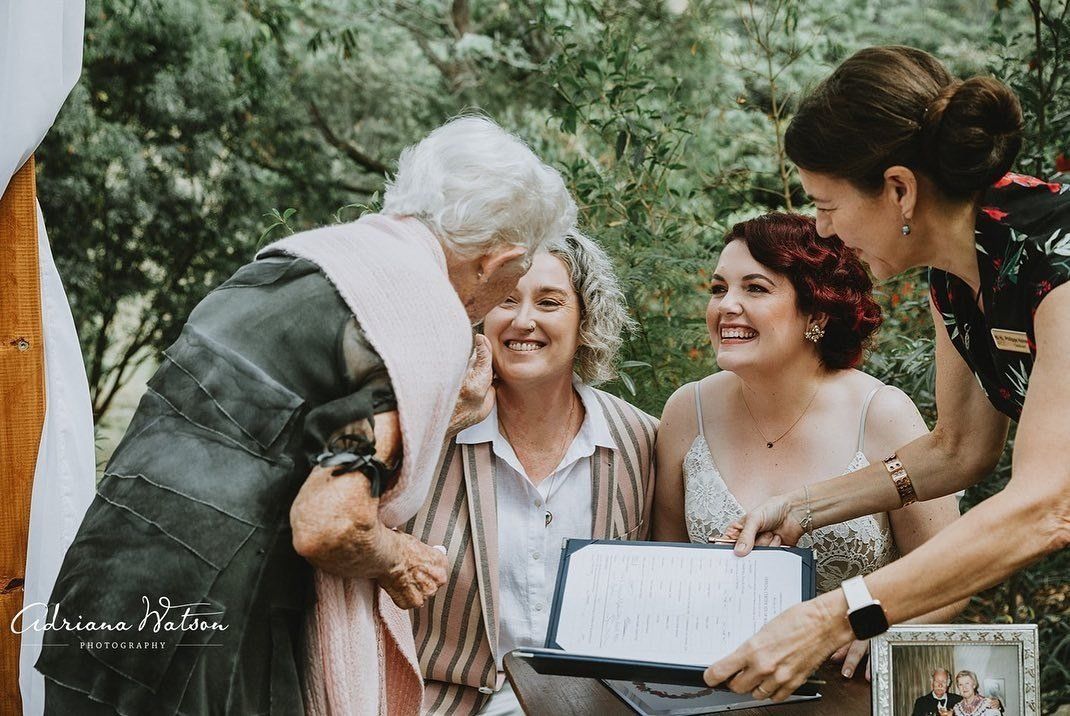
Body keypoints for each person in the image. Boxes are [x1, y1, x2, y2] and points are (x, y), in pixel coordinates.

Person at [35, 116, 576, 716]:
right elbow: (328, 525)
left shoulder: (301, 261)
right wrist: (397, 558)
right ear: (494, 260)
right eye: (512, 280)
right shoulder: (417, 310)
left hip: (99, 588)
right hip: (211, 623)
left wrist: (440, 413)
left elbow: (286, 427)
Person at [703, 45, 1070, 701]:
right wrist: (805, 507)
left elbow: (1046, 506)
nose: (821, 230)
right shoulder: (957, 274)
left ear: (899, 188)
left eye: (827, 205)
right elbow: (957, 450)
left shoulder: (1057, 265)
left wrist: (830, 616)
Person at [653, 213, 965, 682]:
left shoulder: (882, 415)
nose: (726, 306)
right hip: (719, 688)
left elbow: (951, 576)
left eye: (755, 289)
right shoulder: (686, 411)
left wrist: (886, 628)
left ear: (817, 313)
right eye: (719, 289)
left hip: (855, 687)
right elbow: (667, 563)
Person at [406, 231, 658, 715]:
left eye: (549, 302)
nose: (524, 320)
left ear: (586, 320)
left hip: (596, 704)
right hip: (445, 704)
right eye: (506, 299)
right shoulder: (433, 428)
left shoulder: (641, 440)